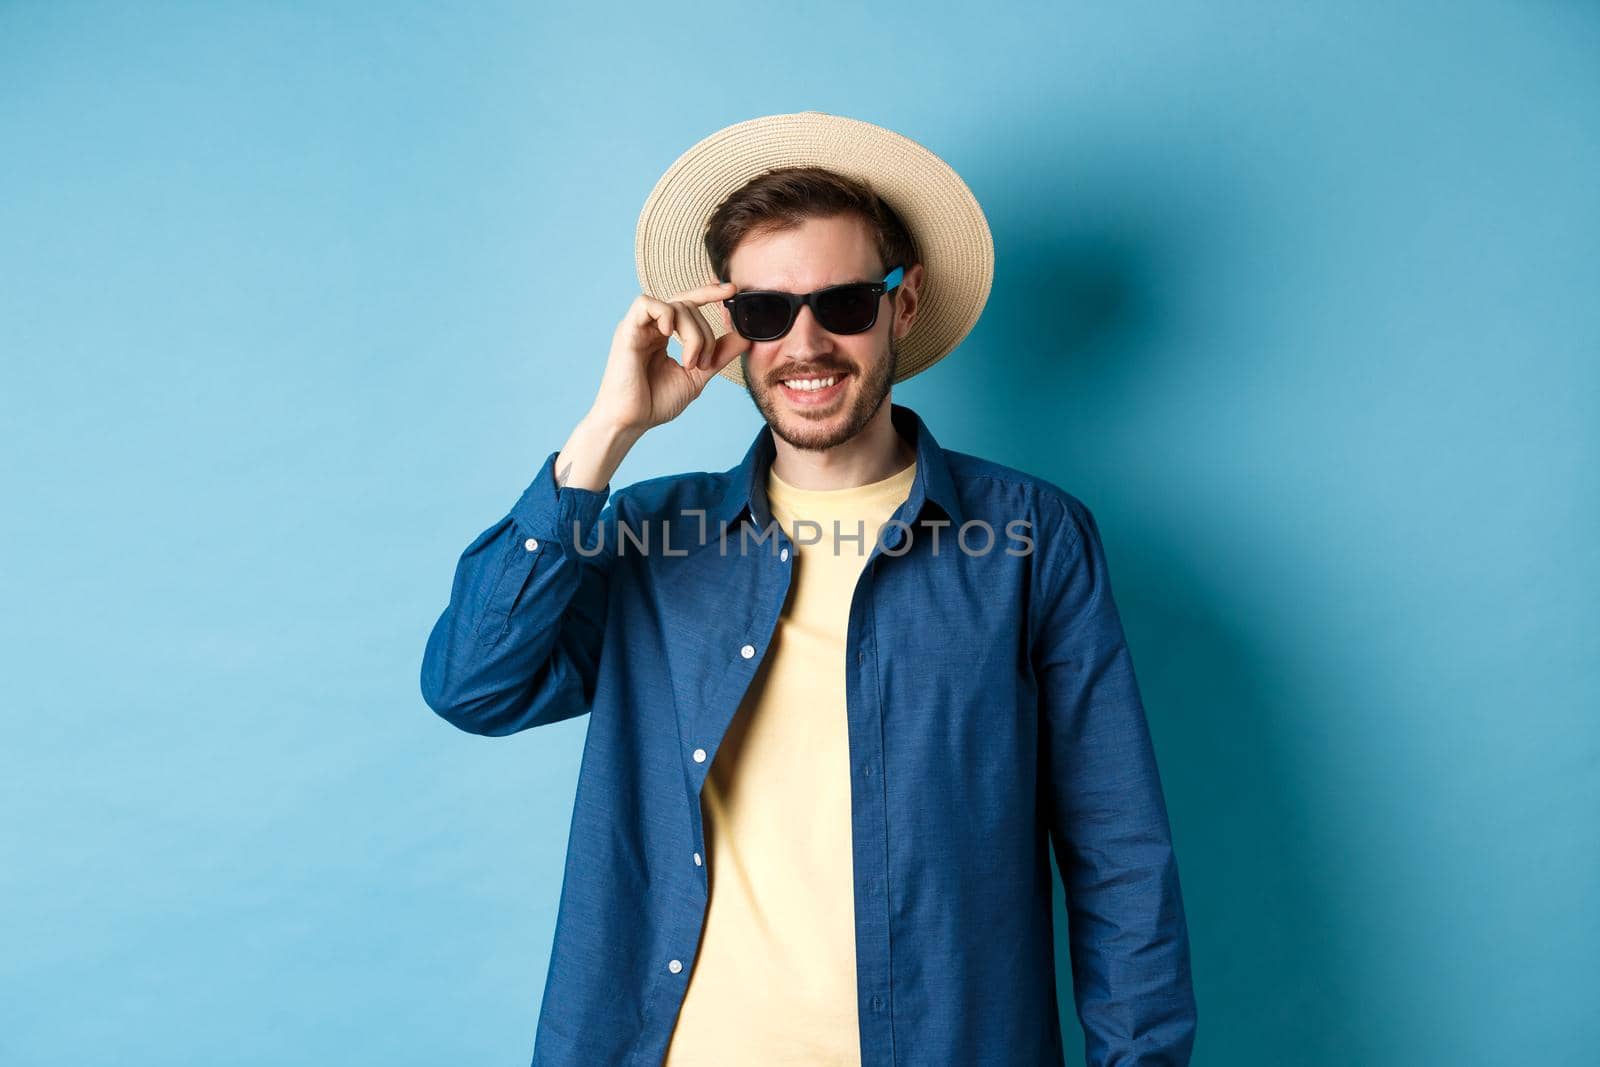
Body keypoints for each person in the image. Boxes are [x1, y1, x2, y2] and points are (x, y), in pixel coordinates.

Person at [420, 111, 1196, 1067]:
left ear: (901, 309)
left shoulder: (1032, 540)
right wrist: (606, 436)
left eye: (844, 304)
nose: (806, 342)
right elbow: (474, 684)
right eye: (764, 311)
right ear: (729, 330)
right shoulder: (653, 537)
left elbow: (1119, 857)